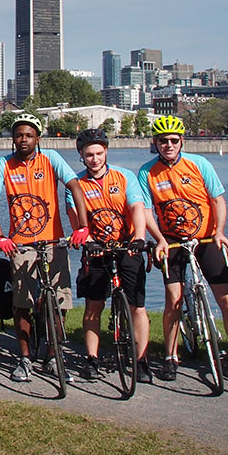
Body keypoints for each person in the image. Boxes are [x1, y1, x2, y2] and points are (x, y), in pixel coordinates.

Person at [137, 115, 228, 385]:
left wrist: (219, 233)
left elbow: (218, 200)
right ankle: (170, 356)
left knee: (227, 299)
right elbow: (145, 210)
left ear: (181, 142)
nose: (168, 145)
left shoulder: (199, 164)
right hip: (172, 240)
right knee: (173, 299)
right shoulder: (147, 171)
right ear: (154, 143)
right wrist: (159, 239)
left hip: (205, 239)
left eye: (173, 140)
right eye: (162, 141)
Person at [0, 113, 90, 383]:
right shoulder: (4, 164)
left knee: (58, 302)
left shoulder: (51, 158)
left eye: (28, 135)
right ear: (13, 139)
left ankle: (54, 355)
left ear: (37, 138)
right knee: (22, 303)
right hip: (20, 244)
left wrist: (82, 227)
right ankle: (24, 358)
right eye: (18, 135)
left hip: (54, 241)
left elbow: (75, 187)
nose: (23, 139)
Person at [66, 127, 156, 383]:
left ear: (106, 152)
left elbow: (137, 207)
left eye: (99, 153)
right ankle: (92, 358)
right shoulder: (76, 184)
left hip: (127, 245)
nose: (95, 158)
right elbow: (76, 219)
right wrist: (89, 241)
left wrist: (139, 237)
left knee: (137, 306)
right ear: (81, 155)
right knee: (94, 306)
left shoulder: (124, 176)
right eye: (89, 154)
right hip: (97, 248)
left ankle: (142, 359)